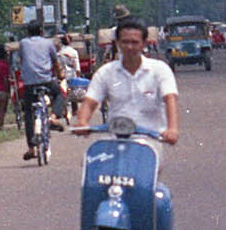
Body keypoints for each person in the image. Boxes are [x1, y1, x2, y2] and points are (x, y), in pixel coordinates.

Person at [75, 16, 180, 158]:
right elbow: (90, 102)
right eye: (125, 42)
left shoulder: (160, 70)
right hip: (114, 143)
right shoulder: (106, 72)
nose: (129, 47)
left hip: (150, 145)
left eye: (134, 42)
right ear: (117, 43)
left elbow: (170, 99)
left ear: (143, 44)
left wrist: (172, 129)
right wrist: (82, 121)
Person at [16, 21, 67, 161]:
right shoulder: (48, 43)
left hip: (29, 84)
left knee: (28, 113)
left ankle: (31, 148)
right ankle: (53, 117)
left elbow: (20, 61)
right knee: (59, 94)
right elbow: (55, 62)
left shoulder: (23, 44)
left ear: (27, 33)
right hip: (46, 81)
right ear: (41, 32)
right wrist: (60, 75)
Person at [0, 43, 12, 130]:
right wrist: (8, 89)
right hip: (3, 88)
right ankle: (0, 125)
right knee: (2, 107)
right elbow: (5, 78)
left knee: (2, 107)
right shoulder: (4, 64)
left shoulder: (0, 63)